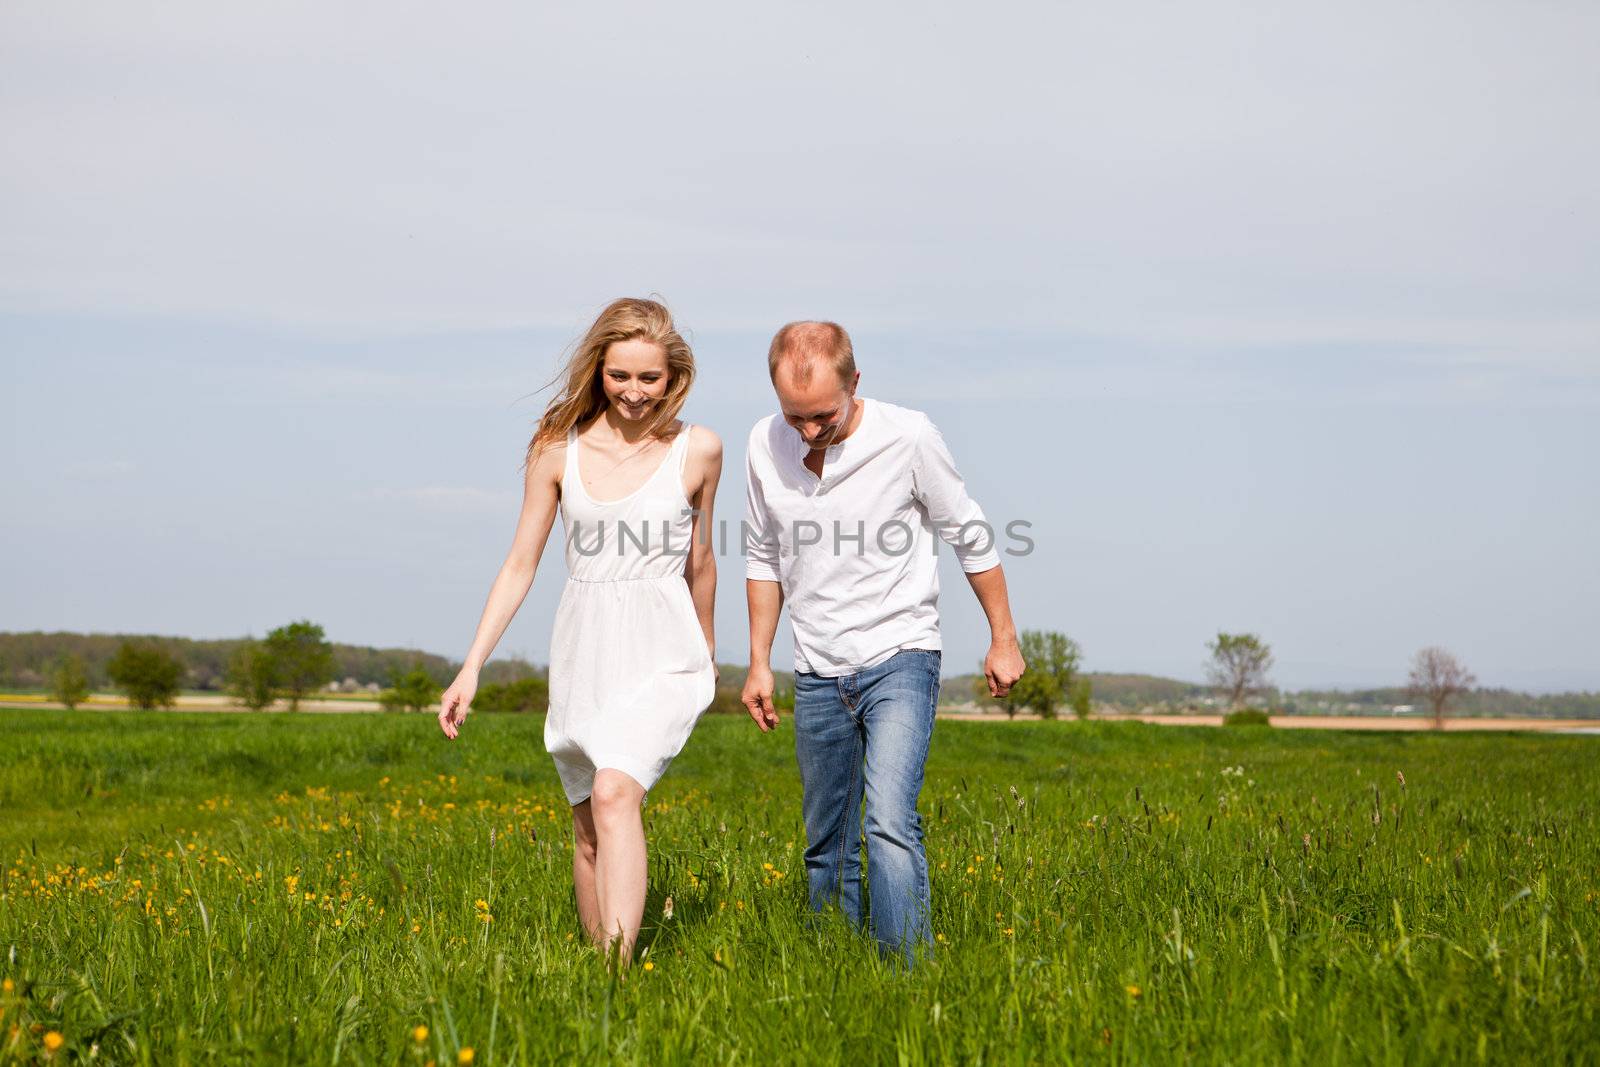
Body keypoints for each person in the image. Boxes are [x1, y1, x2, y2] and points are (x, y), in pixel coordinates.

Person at [437, 297, 721, 963]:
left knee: (617, 791)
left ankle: (618, 976)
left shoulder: (698, 449)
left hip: (664, 649)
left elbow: (700, 560)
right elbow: (518, 564)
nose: (633, 391)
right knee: (590, 825)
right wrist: (472, 664)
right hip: (586, 649)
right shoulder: (554, 449)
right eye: (619, 375)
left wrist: (706, 652)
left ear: (672, 374)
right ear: (598, 370)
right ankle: (599, 981)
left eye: (648, 377)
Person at [741, 320, 1025, 964]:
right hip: (815, 668)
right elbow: (763, 555)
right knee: (826, 841)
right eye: (795, 417)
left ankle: (908, 975)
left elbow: (970, 533)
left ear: (855, 383)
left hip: (900, 655)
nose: (809, 432)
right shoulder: (764, 443)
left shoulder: (909, 437)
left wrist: (1002, 638)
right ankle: (834, 967)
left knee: (889, 822)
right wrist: (759, 661)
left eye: (823, 416)